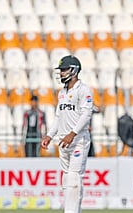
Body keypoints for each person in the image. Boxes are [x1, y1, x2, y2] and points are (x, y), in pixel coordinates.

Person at [41, 55, 93, 213]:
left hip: (78, 141)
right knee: (67, 178)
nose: (61, 73)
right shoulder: (62, 92)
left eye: (64, 70)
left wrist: (72, 133)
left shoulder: (84, 90)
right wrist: (49, 135)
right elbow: (59, 116)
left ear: (74, 70)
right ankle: (75, 210)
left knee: (73, 177)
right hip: (63, 141)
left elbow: (86, 114)